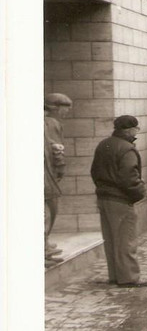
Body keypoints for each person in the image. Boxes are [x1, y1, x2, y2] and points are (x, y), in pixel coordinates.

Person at [90, 115, 147, 287]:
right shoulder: (127, 149)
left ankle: (115, 276)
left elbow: (94, 171)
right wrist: (140, 192)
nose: (137, 131)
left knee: (111, 239)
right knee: (125, 239)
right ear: (130, 130)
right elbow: (129, 177)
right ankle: (129, 278)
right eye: (136, 129)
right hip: (120, 199)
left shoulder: (104, 144)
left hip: (103, 197)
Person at [44, 92, 73, 266]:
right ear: (55, 108)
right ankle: (44, 246)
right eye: (65, 108)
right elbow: (57, 149)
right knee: (50, 210)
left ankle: (45, 244)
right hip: (48, 174)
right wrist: (61, 167)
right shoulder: (52, 123)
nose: (67, 112)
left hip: (47, 173)